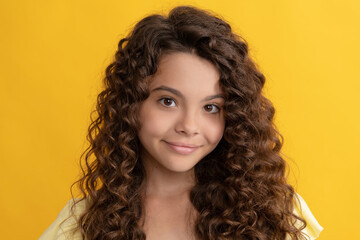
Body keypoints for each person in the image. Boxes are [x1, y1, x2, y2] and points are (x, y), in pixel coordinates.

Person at [39, 5, 323, 240]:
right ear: (131, 103)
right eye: (168, 101)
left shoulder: (274, 211)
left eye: (211, 107)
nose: (189, 125)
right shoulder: (84, 222)